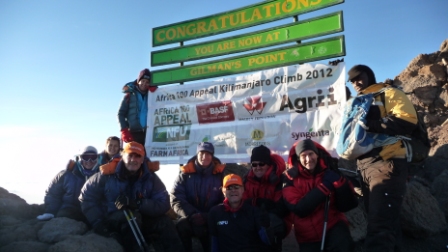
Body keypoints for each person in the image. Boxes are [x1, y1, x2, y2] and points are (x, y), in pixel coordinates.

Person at [347, 64, 418, 251]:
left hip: (388, 161)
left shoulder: (388, 93)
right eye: (352, 81)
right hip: (365, 166)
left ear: (369, 75)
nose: (356, 83)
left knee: (379, 227)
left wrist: (371, 125)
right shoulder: (357, 103)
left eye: (359, 77)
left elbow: (407, 119)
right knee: (387, 223)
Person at [79, 141, 183, 252]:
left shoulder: (150, 177)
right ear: (122, 156)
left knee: (165, 221)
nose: (133, 160)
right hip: (111, 220)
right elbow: (85, 197)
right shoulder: (106, 175)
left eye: (138, 156)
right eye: (130, 155)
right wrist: (98, 223)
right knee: (132, 217)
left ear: (143, 159)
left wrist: (138, 203)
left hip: (141, 219)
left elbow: (164, 202)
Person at [282, 139, 358, 252]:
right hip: (307, 236)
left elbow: (347, 205)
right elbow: (300, 209)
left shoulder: (330, 171)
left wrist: (341, 184)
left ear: (317, 154)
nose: (308, 159)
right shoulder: (290, 179)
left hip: (333, 227)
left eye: (311, 154)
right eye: (303, 155)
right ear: (298, 158)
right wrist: (325, 187)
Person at [170, 142, 225, 252]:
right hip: (190, 217)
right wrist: (192, 214)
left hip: (211, 219)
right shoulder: (184, 174)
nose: (205, 157)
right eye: (201, 153)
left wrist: (207, 216)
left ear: (212, 156)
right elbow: (176, 198)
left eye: (208, 154)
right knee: (181, 225)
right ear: (197, 154)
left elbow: (225, 200)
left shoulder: (221, 175)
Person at [208, 174, 272, 252]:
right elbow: (214, 243)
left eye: (236, 187)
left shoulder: (254, 211)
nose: (233, 190)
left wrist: (267, 227)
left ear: (242, 190)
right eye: (229, 188)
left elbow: (268, 241)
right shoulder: (215, 212)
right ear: (223, 191)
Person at [243, 145, 289, 252]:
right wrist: (257, 202)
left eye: (261, 164)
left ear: (268, 165)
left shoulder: (279, 180)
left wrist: (261, 208)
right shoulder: (246, 180)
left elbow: (281, 209)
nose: (258, 167)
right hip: (253, 218)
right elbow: (243, 202)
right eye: (254, 164)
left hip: (275, 222)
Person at [37, 146, 100, 223]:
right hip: (69, 210)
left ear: (97, 159)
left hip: (92, 210)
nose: (89, 161)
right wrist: (50, 212)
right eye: (86, 157)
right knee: (63, 220)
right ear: (80, 158)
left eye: (93, 157)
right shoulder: (66, 175)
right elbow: (53, 194)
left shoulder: (101, 176)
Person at [118, 68, 158, 145]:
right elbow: (121, 114)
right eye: (142, 81)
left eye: (147, 82)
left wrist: (156, 91)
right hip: (134, 133)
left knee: (148, 156)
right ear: (138, 81)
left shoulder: (152, 94)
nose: (144, 84)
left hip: (149, 133)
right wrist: (124, 130)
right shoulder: (129, 95)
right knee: (135, 156)